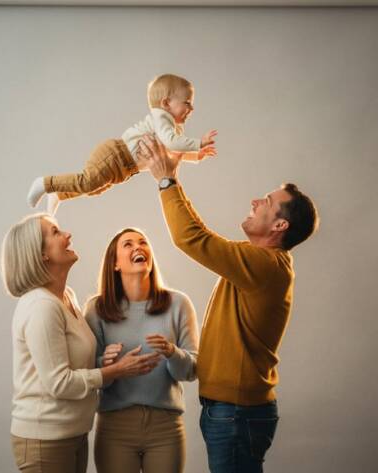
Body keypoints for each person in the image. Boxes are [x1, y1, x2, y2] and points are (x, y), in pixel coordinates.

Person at [136, 135, 320, 473]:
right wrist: (172, 179)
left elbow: (192, 239)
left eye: (266, 201)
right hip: (232, 412)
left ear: (280, 225)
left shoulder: (264, 265)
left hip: (236, 413)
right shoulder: (259, 264)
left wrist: (165, 180)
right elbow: (202, 237)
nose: (255, 201)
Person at [0, 213, 162, 473]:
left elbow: (72, 365)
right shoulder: (41, 306)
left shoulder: (66, 297)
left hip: (71, 434)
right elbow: (59, 383)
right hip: (45, 440)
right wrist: (117, 371)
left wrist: (102, 362)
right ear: (42, 254)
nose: (67, 235)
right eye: (55, 232)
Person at [84, 227, 199, 473]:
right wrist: (109, 365)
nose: (138, 247)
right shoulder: (97, 309)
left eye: (143, 242)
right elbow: (91, 376)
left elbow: (190, 371)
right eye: (128, 244)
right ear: (115, 264)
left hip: (165, 427)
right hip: (115, 427)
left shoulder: (178, 304)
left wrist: (171, 352)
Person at [26, 73, 218, 214]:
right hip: (115, 155)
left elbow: (172, 151)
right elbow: (172, 143)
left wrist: (196, 157)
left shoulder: (172, 129)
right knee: (87, 182)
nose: (191, 109)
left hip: (124, 168)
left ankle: (60, 194)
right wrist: (199, 143)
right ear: (166, 103)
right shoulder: (161, 117)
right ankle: (45, 183)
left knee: (94, 188)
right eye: (187, 103)